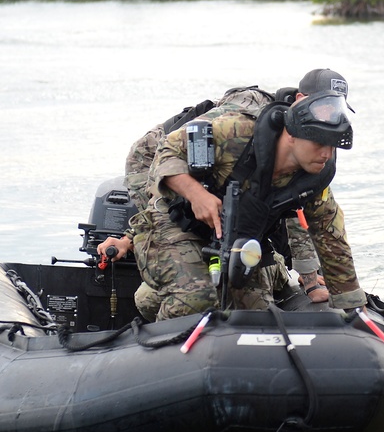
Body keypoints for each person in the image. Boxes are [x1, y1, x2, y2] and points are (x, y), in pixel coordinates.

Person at [117, 71, 366, 322]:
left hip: (238, 226)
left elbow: (330, 238)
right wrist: (196, 194)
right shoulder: (240, 128)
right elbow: (167, 152)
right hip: (173, 215)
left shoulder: (316, 175)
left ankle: (163, 292)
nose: (326, 154)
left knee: (255, 315)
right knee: (195, 301)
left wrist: (353, 309)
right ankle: (160, 310)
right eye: (319, 144)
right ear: (292, 133)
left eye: (332, 146)